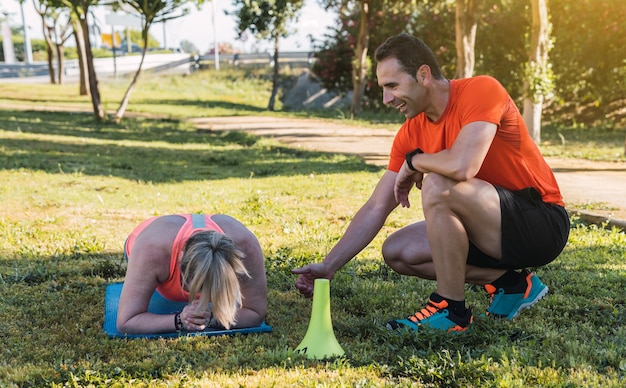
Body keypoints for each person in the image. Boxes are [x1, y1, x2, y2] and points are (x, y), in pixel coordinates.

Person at [292, 33, 570, 333]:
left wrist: (416, 162)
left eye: (392, 86)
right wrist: (329, 266)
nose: (386, 99)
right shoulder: (410, 133)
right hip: (486, 232)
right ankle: (513, 284)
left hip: (540, 224)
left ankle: (452, 311)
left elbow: (464, 165)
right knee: (399, 251)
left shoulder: (481, 90)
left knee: (439, 182)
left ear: (423, 75)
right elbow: (377, 206)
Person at [117, 214, 267, 334]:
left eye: (212, 289)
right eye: (196, 288)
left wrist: (213, 318)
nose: (201, 297)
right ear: (180, 261)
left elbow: (255, 313)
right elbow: (126, 321)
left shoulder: (245, 246)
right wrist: (179, 320)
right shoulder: (151, 251)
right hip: (148, 235)